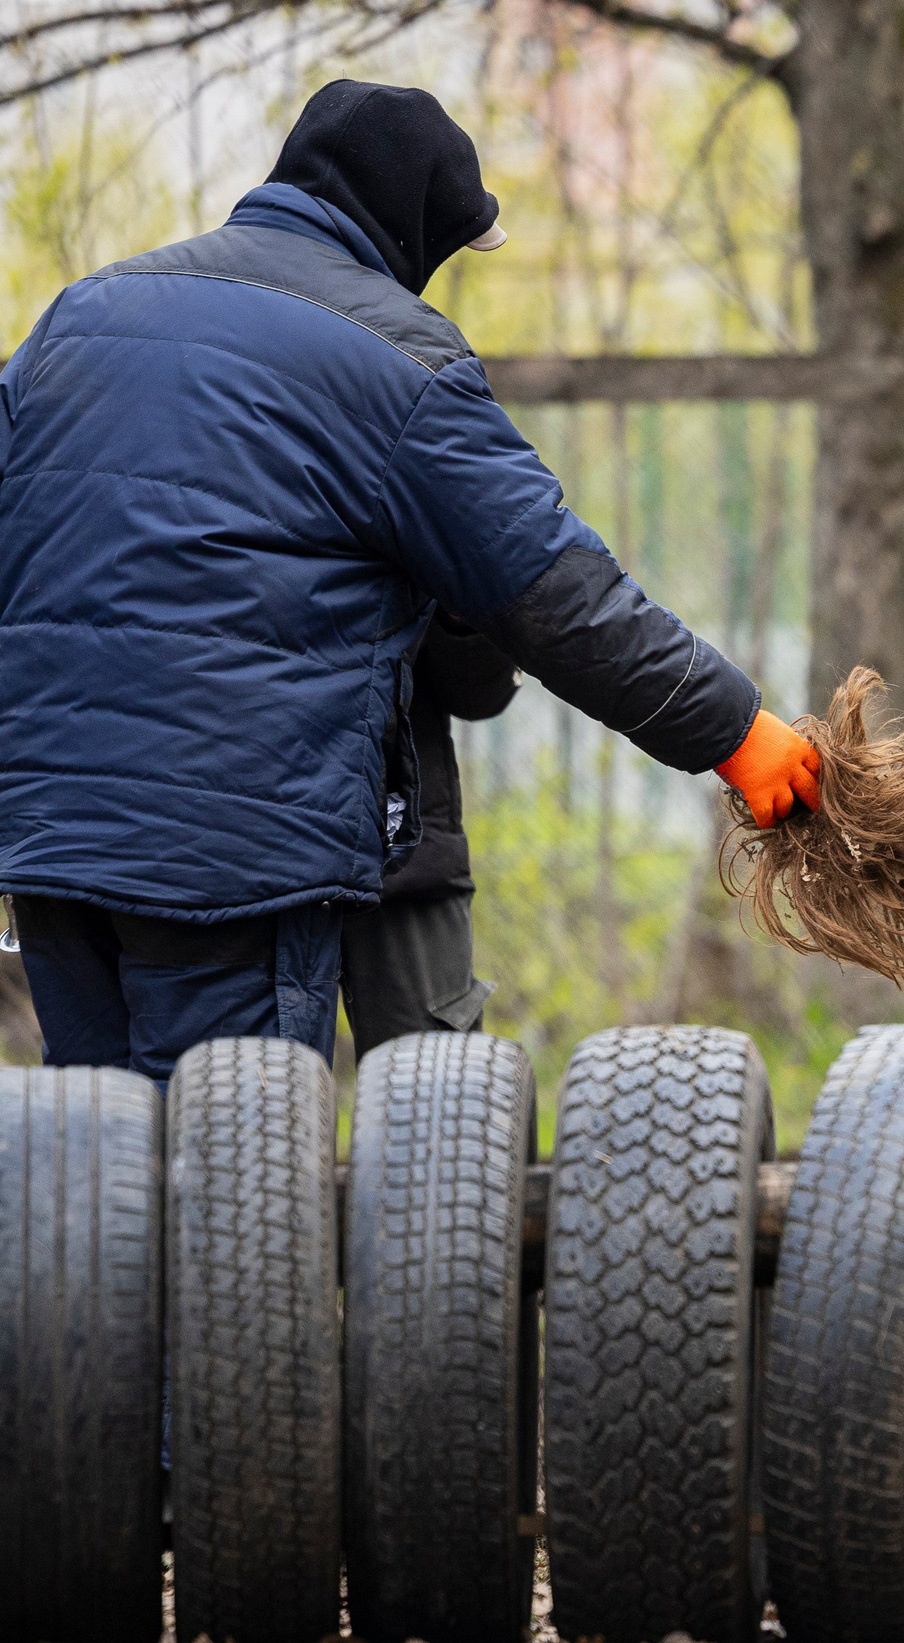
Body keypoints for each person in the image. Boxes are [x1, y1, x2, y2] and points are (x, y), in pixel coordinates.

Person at [0, 80, 822, 1081]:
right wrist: (735, 732)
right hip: (234, 854)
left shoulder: (78, 319)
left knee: (92, 1168)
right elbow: (563, 599)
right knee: (223, 1182)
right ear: (413, 226)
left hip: (51, 835)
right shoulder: (398, 360)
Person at [339, 610, 519, 1058]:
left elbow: (480, 691)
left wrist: (465, 605)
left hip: (401, 855)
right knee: (237, 1098)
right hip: (231, 851)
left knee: (438, 1097)